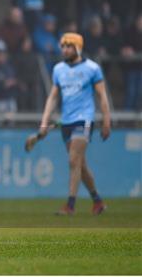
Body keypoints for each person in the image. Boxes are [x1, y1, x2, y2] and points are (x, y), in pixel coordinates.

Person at [37, 32, 110, 216]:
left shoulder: (92, 68)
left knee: (72, 160)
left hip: (84, 119)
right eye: (62, 46)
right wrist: (44, 122)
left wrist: (107, 120)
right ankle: (98, 201)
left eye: (68, 46)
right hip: (66, 121)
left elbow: (102, 96)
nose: (64, 49)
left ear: (78, 47)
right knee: (80, 164)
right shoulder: (58, 69)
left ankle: (70, 206)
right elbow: (53, 97)